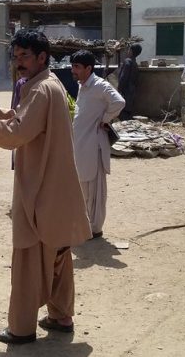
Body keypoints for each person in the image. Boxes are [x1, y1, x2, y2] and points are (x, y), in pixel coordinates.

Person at [0, 29, 91, 345]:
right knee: (59, 257)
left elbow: (19, 131)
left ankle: (21, 329)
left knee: (29, 258)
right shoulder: (47, 85)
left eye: (24, 57)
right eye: (16, 56)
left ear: (41, 57)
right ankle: (61, 316)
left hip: (41, 192)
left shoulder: (41, 89)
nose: (18, 63)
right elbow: (23, 117)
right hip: (58, 190)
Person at [70, 50, 125, 239]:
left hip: (94, 144)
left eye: (77, 67)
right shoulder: (82, 85)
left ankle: (95, 229)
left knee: (95, 190)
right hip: (81, 145)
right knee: (83, 187)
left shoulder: (100, 85)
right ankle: (85, 225)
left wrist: (105, 119)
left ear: (88, 68)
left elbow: (119, 102)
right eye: (73, 66)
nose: (73, 70)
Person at [117, 43, 142, 120]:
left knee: (122, 113)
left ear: (131, 51)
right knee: (128, 112)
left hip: (125, 92)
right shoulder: (135, 63)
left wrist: (119, 89)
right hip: (131, 92)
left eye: (129, 49)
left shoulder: (127, 61)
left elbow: (123, 77)